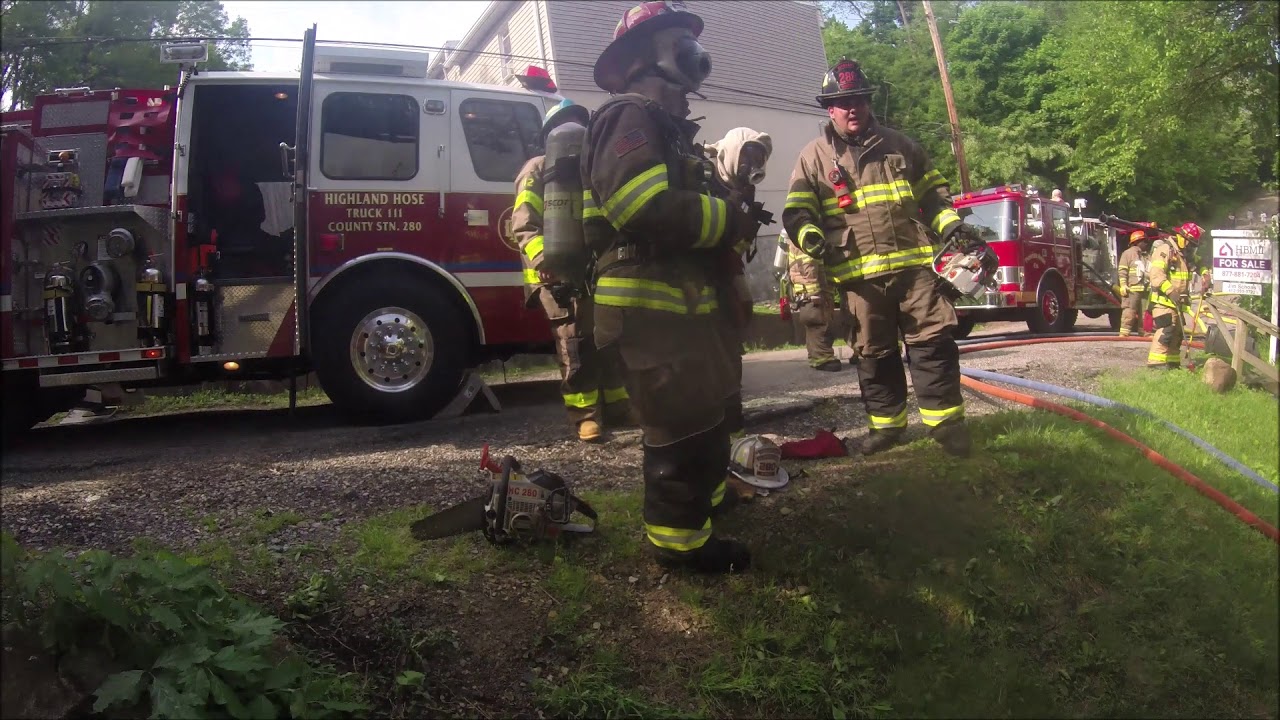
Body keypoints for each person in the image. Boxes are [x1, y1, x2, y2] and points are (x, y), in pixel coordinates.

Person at [582, 1, 759, 573]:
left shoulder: (670, 129)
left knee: (706, 415)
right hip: (648, 309)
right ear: (642, 56)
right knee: (677, 430)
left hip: (683, 307)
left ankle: (706, 509)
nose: (694, 53)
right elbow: (643, 206)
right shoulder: (628, 117)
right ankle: (679, 548)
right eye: (678, 41)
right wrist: (729, 220)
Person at [782, 57, 995, 458]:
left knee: (932, 345)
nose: (853, 108)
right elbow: (797, 211)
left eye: (859, 99)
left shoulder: (901, 146)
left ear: (868, 102)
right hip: (859, 278)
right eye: (843, 101)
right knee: (874, 355)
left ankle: (946, 425)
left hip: (916, 272)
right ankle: (887, 428)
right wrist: (812, 238)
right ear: (829, 108)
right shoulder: (813, 157)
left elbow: (933, 195)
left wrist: (950, 225)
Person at [511, 99, 633, 443]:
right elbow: (522, 224)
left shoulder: (589, 166)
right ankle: (585, 416)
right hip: (555, 274)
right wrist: (544, 262)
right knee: (574, 342)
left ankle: (619, 407)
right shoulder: (538, 168)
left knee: (606, 339)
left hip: (592, 269)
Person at [704, 127, 774, 434]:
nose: (752, 165)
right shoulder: (702, 180)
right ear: (729, 154)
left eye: (759, 158)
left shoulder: (746, 190)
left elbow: (742, 239)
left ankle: (731, 416)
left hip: (726, 271)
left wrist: (735, 254)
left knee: (735, 329)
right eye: (747, 156)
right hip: (696, 275)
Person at [783, 230, 852, 371]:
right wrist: (813, 291)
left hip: (819, 283)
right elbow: (807, 263)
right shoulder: (806, 233)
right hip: (810, 287)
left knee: (824, 317)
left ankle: (822, 355)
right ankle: (821, 357)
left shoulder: (813, 231)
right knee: (816, 317)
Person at [1146, 222, 1202, 369]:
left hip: (1177, 304)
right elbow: (1156, 275)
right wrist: (1171, 291)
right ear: (1182, 238)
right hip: (1164, 302)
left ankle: (1172, 363)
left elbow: (1200, 263)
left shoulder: (1183, 254)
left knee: (1176, 335)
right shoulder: (1165, 250)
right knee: (1166, 332)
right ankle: (1156, 365)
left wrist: (1206, 274)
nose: (1191, 248)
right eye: (1190, 243)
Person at [1116, 230, 1151, 337]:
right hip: (1132, 289)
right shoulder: (1127, 254)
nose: (1146, 243)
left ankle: (1145, 332)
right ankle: (1125, 332)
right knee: (1129, 311)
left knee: (1146, 313)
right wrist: (1123, 285)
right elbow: (1122, 270)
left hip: (1145, 289)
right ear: (1137, 241)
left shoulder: (1146, 256)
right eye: (1144, 241)